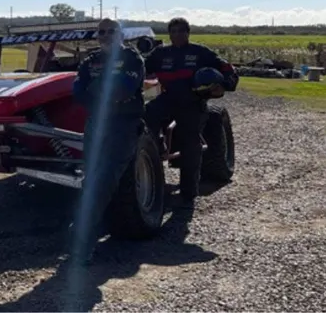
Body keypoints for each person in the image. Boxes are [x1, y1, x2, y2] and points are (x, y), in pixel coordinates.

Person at [70, 18, 146, 264]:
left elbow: (124, 89)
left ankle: (82, 241)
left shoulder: (131, 58)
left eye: (111, 31)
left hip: (123, 124)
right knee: (91, 176)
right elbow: (78, 92)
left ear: (120, 34)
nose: (105, 35)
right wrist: (103, 89)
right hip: (96, 125)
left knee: (104, 178)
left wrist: (96, 87)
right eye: (101, 32)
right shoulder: (91, 61)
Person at [143, 17, 238, 205]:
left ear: (188, 33)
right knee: (144, 118)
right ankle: (154, 155)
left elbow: (227, 69)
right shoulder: (160, 54)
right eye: (174, 31)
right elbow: (139, 69)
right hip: (167, 98)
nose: (177, 34)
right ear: (169, 34)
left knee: (190, 143)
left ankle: (188, 192)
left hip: (192, 103)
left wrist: (225, 85)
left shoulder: (200, 52)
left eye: (181, 31)